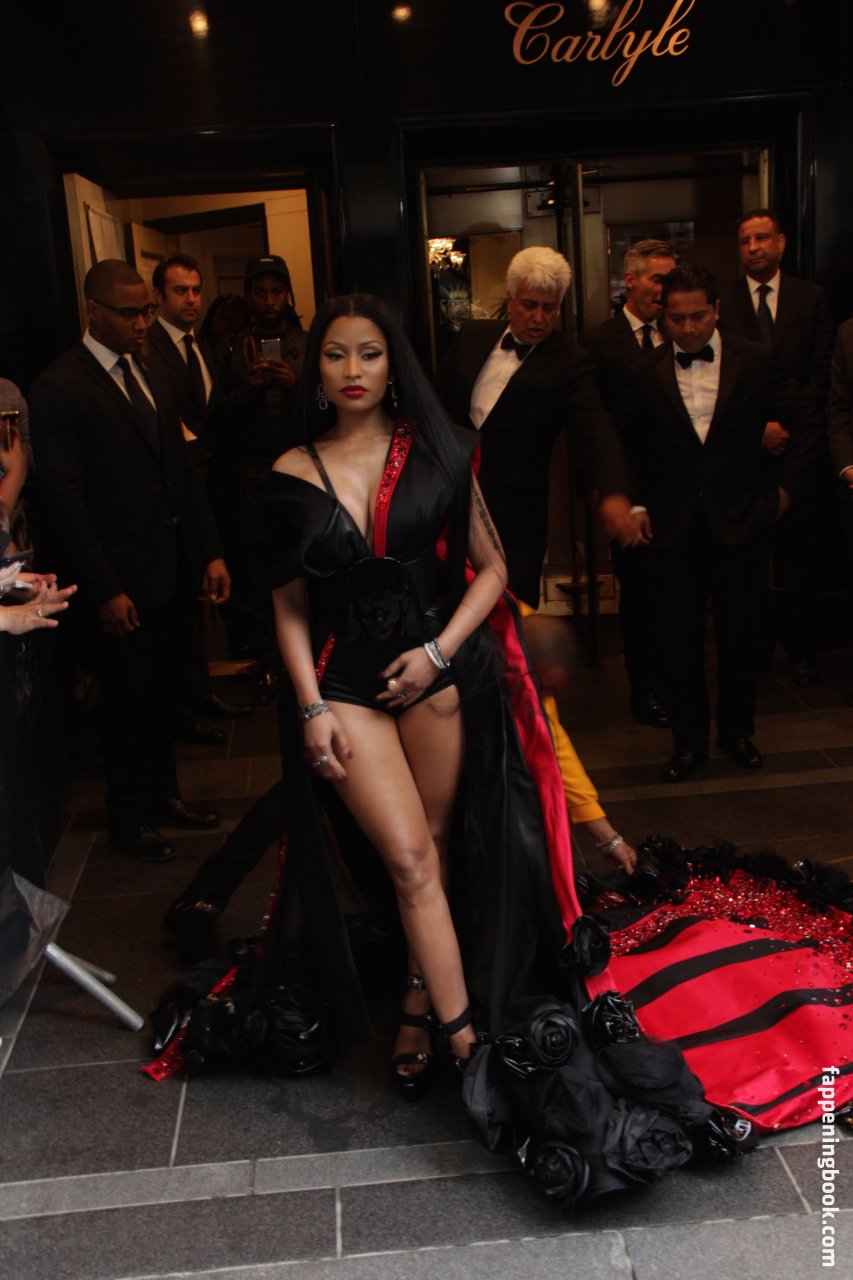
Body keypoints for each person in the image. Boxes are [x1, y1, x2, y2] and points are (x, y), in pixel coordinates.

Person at [29, 259, 228, 863]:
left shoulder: (151, 371)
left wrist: (209, 553)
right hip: (117, 578)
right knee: (126, 703)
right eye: (128, 313)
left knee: (164, 693)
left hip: (169, 566)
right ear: (93, 310)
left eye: (145, 310)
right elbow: (66, 502)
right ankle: (128, 818)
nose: (142, 323)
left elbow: (181, 476)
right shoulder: (60, 385)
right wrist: (105, 588)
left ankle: (165, 797)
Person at [621, 265, 822, 782]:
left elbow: (807, 421)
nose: (687, 329)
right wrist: (635, 503)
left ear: (715, 311)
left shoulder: (755, 359)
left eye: (697, 317)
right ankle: (688, 743)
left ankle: (737, 731)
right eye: (676, 319)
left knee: (742, 638)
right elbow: (629, 448)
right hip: (671, 530)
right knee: (676, 642)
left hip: (741, 522)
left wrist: (785, 492)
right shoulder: (644, 372)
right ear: (662, 317)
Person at [435, 246, 644, 608]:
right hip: (448, 505)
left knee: (512, 615)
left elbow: (595, 430)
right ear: (510, 299)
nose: (538, 318)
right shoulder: (471, 335)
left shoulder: (570, 363)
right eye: (529, 305)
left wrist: (614, 493)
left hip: (514, 520)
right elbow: (435, 404)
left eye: (549, 308)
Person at [718, 209, 834, 684]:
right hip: (745, 452)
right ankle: (756, 652)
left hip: (801, 450)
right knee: (748, 564)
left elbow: (824, 370)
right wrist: (758, 426)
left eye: (762, 238)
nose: (753, 247)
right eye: (745, 240)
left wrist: (790, 422)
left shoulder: (810, 297)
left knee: (800, 557)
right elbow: (720, 379)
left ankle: (802, 650)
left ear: (781, 243)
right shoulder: (724, 302)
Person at [148, 253, 251, 741]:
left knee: (208, 593)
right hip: (175, 493)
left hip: (213, 486)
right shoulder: (147, 349)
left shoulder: (205, 348)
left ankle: (201, 691)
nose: (191, 299)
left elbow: (212, 419)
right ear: (158, 296)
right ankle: (183, 705)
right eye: (180, 291)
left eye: (195, 290)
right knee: (181, 605)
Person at [583, 240, 677, 729]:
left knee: (676, 595)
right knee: (639, 598)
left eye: (671, 280)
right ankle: (647, 691)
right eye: (659, 279)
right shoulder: (600, 342)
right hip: (628, 491)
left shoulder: (682, 332)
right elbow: (591, 426)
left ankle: (679, 685)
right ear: (632, 280)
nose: (665, 289)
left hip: (677, 490)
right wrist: (604, 490)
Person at [209, 255, 307, 700]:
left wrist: (295, 385)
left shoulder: (308, 344)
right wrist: (247, 389)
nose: (269, 301)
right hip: (248, 476)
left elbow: (328, 409)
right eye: (261, 292)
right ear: (248, 296)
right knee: (254, 573)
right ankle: (266, 663)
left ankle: (301, 661)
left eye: (277, 291)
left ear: (288, 294)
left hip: (300, 472)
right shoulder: (230, 350)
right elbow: (213, 421)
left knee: (300, 564)